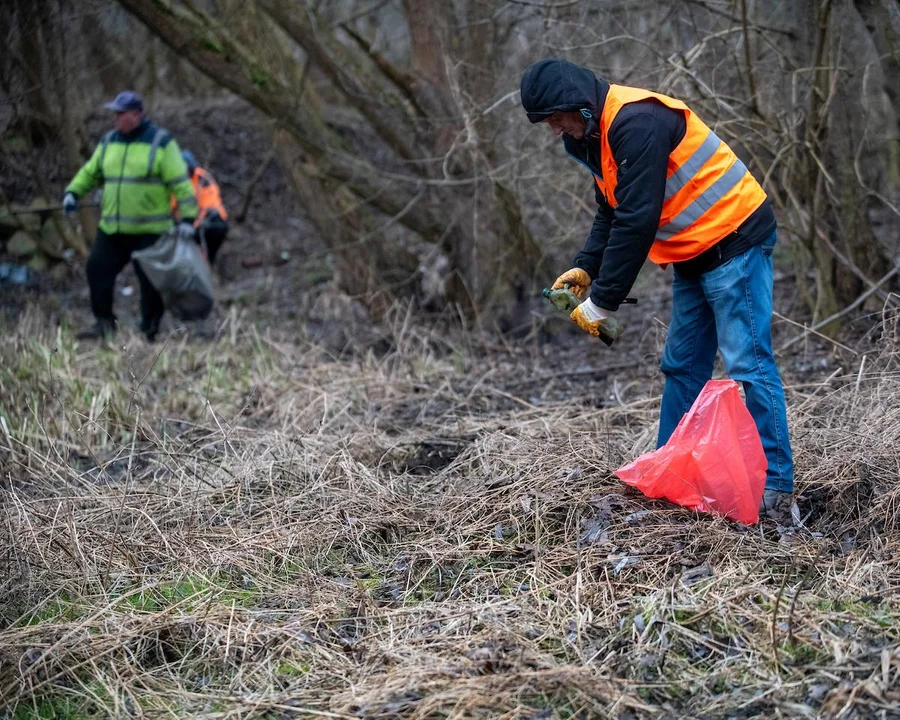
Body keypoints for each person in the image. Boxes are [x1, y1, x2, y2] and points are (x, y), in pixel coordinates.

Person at [520, 58, 795, 524]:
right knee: (682, 365)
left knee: (747, 362)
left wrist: (603, 301)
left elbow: (638, 219)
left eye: (557, 118)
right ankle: (671, 473)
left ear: (578, 105)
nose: (555, 130)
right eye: (548, 123)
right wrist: (585, 269)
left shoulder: (636, 122)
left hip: (735, 240)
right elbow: (612, 211)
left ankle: (777, 483)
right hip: (694, 252)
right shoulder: (596, 136)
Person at [63, 91, 197, 341]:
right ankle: (104, 324)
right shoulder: (108, 142)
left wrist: (188, 219)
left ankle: (149, 329)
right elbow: (90, 173)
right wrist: (73, 192)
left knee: (151, 284)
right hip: (113, 230)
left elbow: (181, 184)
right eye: (114, 113)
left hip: (151, 231)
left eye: (120, 113)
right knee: (96, 269)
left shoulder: (161, 143)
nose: (115, 118)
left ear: (136, 115)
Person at [176, 150, 230, 266]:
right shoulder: (174, 179)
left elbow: (207, 207)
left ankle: (208, 264)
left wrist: (191, 225)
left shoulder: (202, 179)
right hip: (184, 223)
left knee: (215, 233)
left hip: (209, 222)